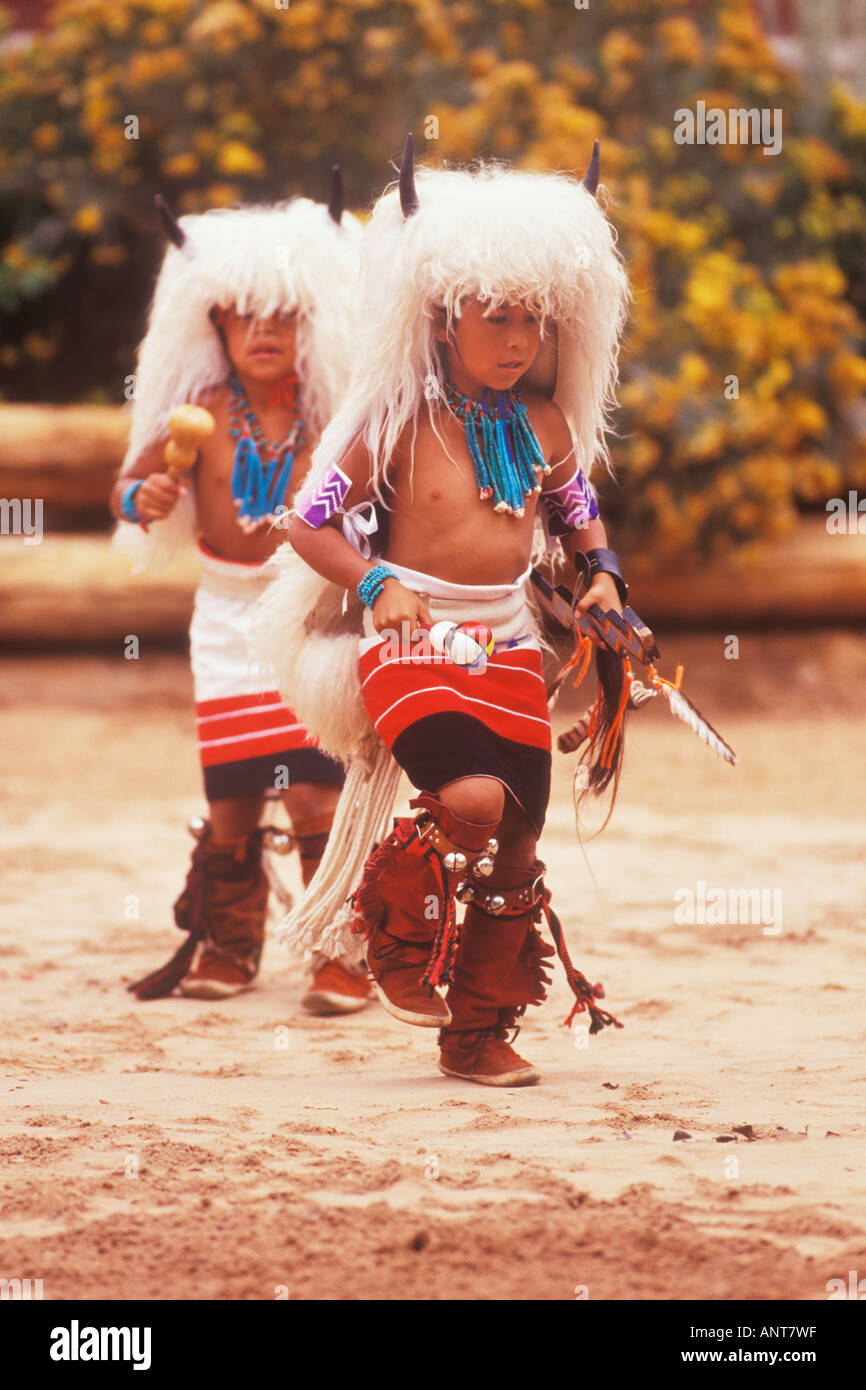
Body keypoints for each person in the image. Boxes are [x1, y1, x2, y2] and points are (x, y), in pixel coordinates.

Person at [264, 137, 632, 1085]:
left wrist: (602, 580)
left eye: (534, 321)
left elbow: (580, 516)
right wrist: (377, 581)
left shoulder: (545, 425)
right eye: (496, 316)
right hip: (414, 639)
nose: (518, 340)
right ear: (440, 318)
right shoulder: (393, 423)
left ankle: (476, 1033)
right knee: (468, 802)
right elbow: (307, 524)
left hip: (511, 646)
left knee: (517, 842)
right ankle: (386, 916)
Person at [112, 181, 371, 1013]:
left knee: (312, 787)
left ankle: (339, 951)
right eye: (245, 315)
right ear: (215, 324)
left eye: (284, 315)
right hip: (223, 616)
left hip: (308, 613)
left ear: (312, 322)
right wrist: (143, 501)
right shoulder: (199, 411)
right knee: (229, 795)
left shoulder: (335, 416)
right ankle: (229, 944)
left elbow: (371, 500)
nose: (265, 332)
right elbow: (129, 483)